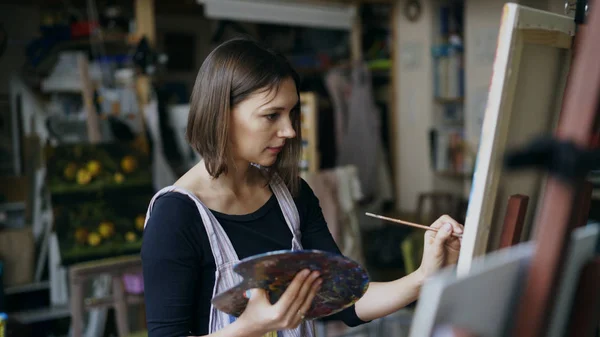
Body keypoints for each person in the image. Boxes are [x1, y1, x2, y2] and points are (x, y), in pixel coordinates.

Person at [141, 38, 464, 337]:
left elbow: (347, 302)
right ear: (221, 115)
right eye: (271, 115)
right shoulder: (176, 216)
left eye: (291, 113)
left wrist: (423, 276)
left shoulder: (292, 195)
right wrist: (251, 327)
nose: (289, 130)